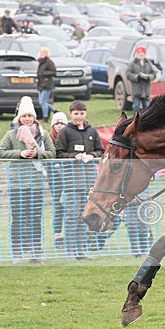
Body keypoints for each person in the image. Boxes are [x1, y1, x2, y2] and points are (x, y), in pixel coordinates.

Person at [0, 97, 56, 264]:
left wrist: (38, 154)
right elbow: (0, 153)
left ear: (34, 117)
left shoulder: (43, 135)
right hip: (17, 184)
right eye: (24, 116)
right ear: (19, 118)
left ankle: (36, 252)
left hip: (36, 184)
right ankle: (17, 253)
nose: (27, 119)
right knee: (18, 219)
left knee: (36, 218)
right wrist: (19, 154)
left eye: (30, 115)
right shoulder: (11, 135)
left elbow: (52, 153)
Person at [54, 100, 104, 259]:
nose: (79, 116)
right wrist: (73, 156)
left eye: (82, 113)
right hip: (71, 182)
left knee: (85, 216)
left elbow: (101, 151)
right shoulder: (65, 132)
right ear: (71, 114)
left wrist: (92, 155)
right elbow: (58, 153)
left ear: (85, 113)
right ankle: (70, 251)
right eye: (76, 113)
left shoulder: (92, 131)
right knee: (72, 216)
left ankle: (81, 250)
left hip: (89, 181)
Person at [47, 112, 69, 251]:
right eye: (57, 124)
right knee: (58, 206)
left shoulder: (69, 136)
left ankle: (72, 236)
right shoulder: (49, 139)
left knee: (71, 207)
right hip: (55, 178)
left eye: (62, 123)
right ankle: (58, 236)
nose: (59, 126)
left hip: (69, 177)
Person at [126, 45, 156, 113]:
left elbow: (154, 74)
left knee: (147, 108)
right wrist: (137, 76)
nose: (141, 55)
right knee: (136, 107)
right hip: (136, 90)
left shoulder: (149, 63)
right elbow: (128, 74)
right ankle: (136, 119)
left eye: (142, 53)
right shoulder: (132, 63)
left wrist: (149, 77)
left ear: (145, 54)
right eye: (139, 53)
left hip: (146, 91)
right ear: (137, 54)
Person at [37, 47, 57, 120]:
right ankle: (55, 110)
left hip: (47, 84)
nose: (42, 54)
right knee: (41, 102)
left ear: (47, 54)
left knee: (43, 102)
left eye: (44, 52)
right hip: (41, 84)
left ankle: (45, 118)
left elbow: (54, 72)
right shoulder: (40, 61)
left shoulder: (49, 62)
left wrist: (44, 74)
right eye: (41, 52)